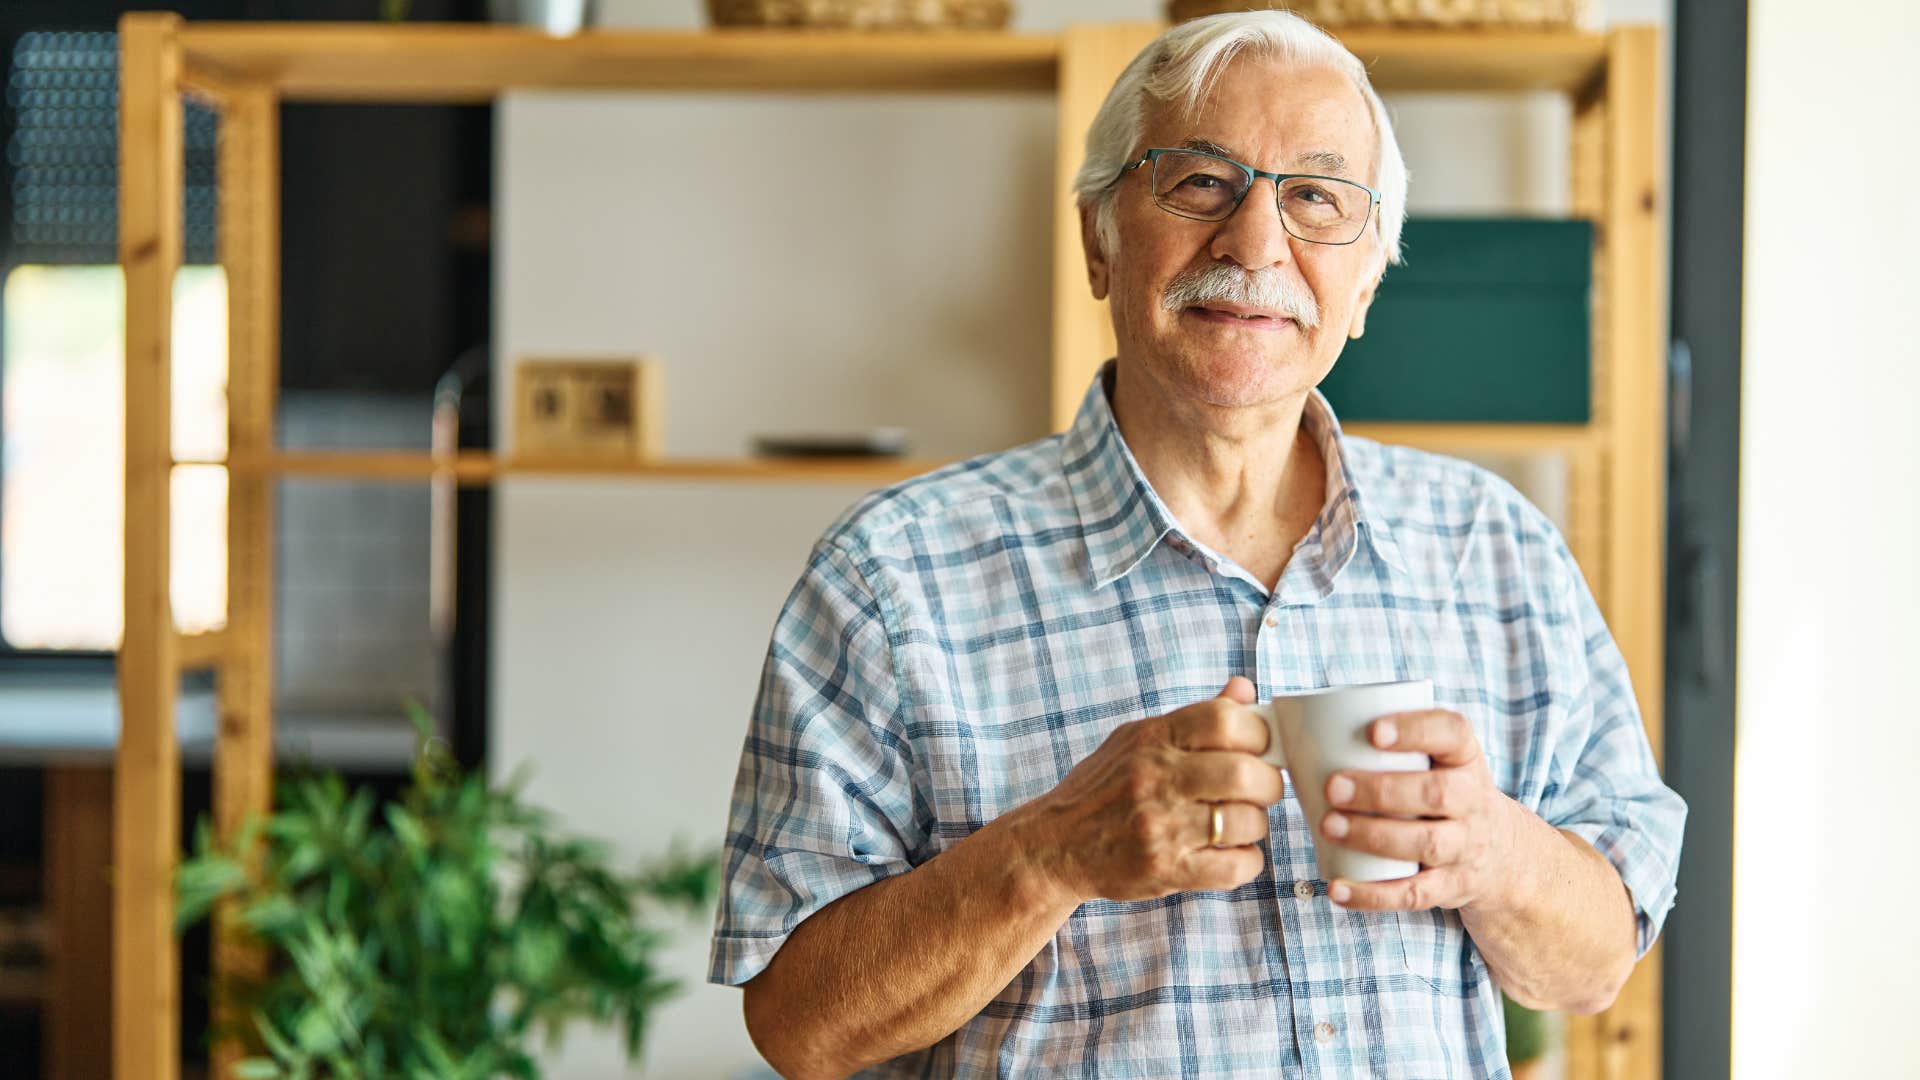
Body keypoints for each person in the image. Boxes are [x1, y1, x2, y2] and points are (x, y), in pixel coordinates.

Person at [707, 10, 1686, 1078]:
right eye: (1201, 182)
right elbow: (799, 1025)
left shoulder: (1497, 549)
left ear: (1365, 284)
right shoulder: (890, 578)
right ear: (1099, 237)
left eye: (1316, 198)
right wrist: (1049, 853)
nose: (1257, 243)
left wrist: (1494, 850)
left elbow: (1595, 967)